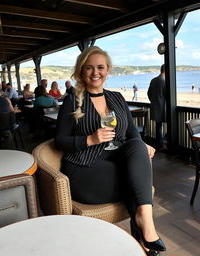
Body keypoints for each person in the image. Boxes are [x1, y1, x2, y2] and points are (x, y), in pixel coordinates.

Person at [54, 46, 166, 256]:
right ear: (81, 71)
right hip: (84, 167)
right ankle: (144, 231)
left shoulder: (117, 98)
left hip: (114, 159)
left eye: (100, 67)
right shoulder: (72, 100)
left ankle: (144, 223)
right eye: (89, 68)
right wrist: (90, 139)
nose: (95, 72)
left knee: (137, 145)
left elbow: (132, 133)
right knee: (134, 181)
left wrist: (141, 146)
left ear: (108, 70)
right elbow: (60, 141)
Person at [147, 64, 166, 151]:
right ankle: (162, 143)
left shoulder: (153, 80)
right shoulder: (164, 81)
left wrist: (153, 102)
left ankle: (160, 143)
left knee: (158, 126)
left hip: (155, 107)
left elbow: (149, 93)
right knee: (171, 124)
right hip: (164, 108)